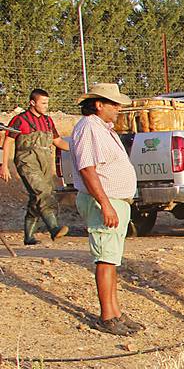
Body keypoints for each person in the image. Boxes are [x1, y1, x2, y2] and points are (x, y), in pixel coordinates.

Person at [71, 83, 140, 336]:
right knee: (105, 258)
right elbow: (87, 169)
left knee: (111, 259)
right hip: (104, 200)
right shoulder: (89, 127)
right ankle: (107, 316)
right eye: (113, 104)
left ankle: (115, 312)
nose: (118, 108)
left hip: (114, 200)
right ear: (98, 104)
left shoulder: (102, 129)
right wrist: (106, 204)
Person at [1, 88, 70, 244]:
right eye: (43, 103)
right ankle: (54, 228)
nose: (46, 106)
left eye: (47, 103)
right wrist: (4, 165)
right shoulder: (19, 120)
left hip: (44, 163)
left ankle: (28, 237)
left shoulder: (48, 121)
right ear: (32, 102)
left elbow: (57, 142)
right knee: (42, 192)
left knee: (36, 198)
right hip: (26, 162)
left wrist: (78, 149)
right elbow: (8, 141)